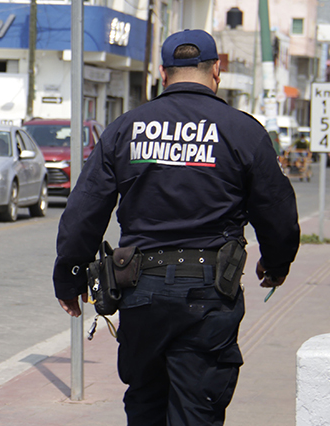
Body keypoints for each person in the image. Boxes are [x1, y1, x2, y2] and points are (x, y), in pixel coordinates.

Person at [53, 29, 300, 426]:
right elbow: (277, 212)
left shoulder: (126, 128)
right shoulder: (242, 131)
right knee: (196, 413)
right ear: (215, 70)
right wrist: (276, 263)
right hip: (208, 294)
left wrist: (70, 276)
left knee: (146, 408)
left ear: (163, 74)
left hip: (141, 294)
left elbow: (84, 211)